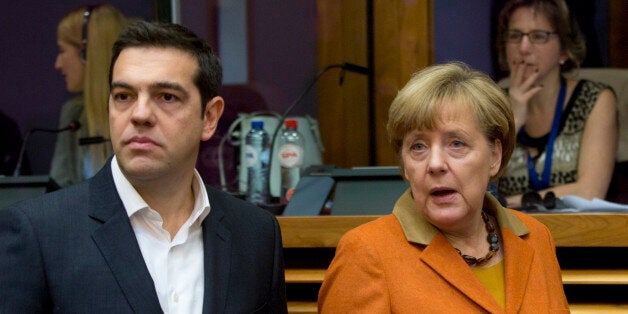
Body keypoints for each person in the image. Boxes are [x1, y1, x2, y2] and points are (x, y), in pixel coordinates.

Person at [0, 21, 287, 313]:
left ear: (210, 117)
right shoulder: (39, 233)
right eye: (124, 96)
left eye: (167, 97)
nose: (140, 114)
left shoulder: (256, 235)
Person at [318, 62, 569, 312]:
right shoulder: (366, 252)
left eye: (456, 143)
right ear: (405, 165)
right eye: (418, 147)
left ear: (494, 156)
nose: (435, 164)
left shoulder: (536, 238)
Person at [495, 0, 617, 208]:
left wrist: (506, 204)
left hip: (577, 233)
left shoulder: (594, 98)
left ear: (564, 50)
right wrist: (512, 122)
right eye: (515, 36)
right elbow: (477, 185)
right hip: (504, 234)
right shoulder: (491, 102)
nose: (523, 48)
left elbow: (589, 192)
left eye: (538, 36)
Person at [51, 4, 127, 187]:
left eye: (62, 51)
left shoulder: (141, 112)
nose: (57, 64)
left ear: (87, 53)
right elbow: (58, 189)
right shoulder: (73, 115)